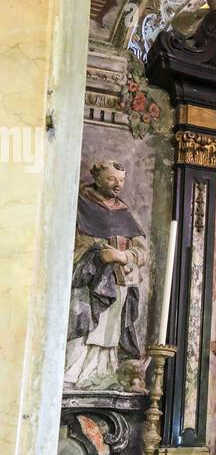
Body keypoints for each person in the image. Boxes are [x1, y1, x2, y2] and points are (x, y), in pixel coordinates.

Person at [65, 162, 147, 390]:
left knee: (110, 332)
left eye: (121, 180)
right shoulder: (80, 206)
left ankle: (102, 375)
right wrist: (99, 255)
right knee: (84, 327)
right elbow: (70, 246)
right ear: (98, 179)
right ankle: (72, 375)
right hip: (87, 282)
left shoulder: (123, 212)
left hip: (120, 281)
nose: (117, 185)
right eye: (112, 179)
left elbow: (142, 251)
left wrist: (123, 256)